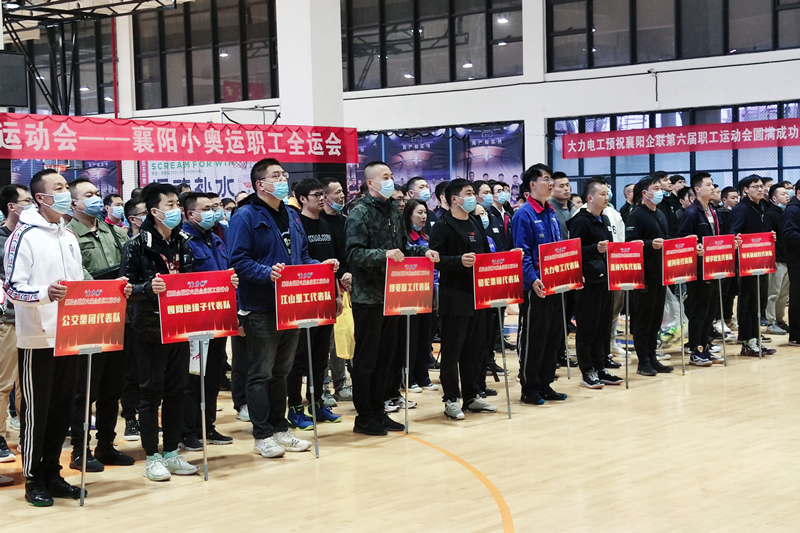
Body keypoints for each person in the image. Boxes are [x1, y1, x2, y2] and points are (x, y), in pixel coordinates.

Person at [228, 158, 326, 457]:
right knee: (261, 373)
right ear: (260, 184)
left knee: (282, 372)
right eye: (276, 175)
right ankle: (262, 435)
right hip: (260, 305)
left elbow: (302, 256)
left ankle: (280, 428)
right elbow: (238, 260)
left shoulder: (292, 214)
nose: (283, 179)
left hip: (290, 305)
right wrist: (266, 272)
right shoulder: (245, 215)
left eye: (284, 174)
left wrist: (320, 267)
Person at [5, 169, 89, 505]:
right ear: (41, 197)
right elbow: (13, 288)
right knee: (37, 412)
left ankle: (53, 473)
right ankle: (33, 478)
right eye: (59, 187)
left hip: (70, 335)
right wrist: (44, 293)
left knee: (62, 410)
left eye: (67, 186)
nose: (66, 192)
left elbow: (79, 284)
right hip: (38, 338)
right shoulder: (23, 236)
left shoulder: (68, 235)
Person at [344, 161, 439, 436]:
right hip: (368, 297)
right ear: (370, 183)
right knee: (367, 360)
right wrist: (382, 255)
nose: (390, 180)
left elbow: (402, 248)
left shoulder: (394, 211)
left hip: (393, 296)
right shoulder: (359, 213)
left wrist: (422, 252)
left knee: (387, 359)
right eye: (384, 176)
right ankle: (364, 416)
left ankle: (379, 410)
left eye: (391, 175)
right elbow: (353, 253)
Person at [120, 182, 200, 481]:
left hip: (180, 326)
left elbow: (191, 280)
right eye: (171, 205)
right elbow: (125, 288)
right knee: (151, 394)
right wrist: (147, 288)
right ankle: (152, 456)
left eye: (178, 204)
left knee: (177, 391)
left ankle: (171, 452)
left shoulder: (183, 241)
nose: (177, 209)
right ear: (155, 211)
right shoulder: (136, 245)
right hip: (149, 329)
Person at [66, 178, 135, 472]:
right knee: (85, 391)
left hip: (120, 317)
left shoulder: (116, 232)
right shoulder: (68, 235)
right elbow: (77, 275)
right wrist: (108, 288)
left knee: (112, 388)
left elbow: (130, 267)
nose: (96, 198)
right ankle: (80, 450)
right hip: (87, 321)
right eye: (89, 194)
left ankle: (106, 445)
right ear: (74, 203)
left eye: (97, 193)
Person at [430, 179, 496, 419]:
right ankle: (451, 398)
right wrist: (458, 261)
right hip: (455, 296)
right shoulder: (442, 225)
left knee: (475, 349)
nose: (472, 198)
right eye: (468, 193)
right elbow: (435, 259)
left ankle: (472, 395)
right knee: (452, 351)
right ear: (454, 199)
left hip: (478, 295)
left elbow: (485, 256)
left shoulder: (475, 222)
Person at [178, 192, 237, 451]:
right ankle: (187, 430)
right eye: (207, 208)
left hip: (218, 317)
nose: (214, 212)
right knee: (193, 378)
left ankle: (207, 425)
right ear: (191, 214)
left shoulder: (216, 239)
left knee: (213, 376)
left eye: (215, 207)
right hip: (194, 321)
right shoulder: (183, 241)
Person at [284, 179, 343, 430]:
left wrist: (337, 294)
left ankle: (317, 404)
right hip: (302, 299)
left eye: (322, 194)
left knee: (320, 357)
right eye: (316, 194)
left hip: (326, 297)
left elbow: (333, 264)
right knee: (299, 358)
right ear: (301, 199)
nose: (321, 198)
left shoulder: (327, 224)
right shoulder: (296, 225)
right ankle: (295, 409)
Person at [513, 163, 568, 405]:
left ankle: (546, 384)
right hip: (535, 287)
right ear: (532, 184)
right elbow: (521, 252)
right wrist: (532, 278)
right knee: (534, 338)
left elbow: (559, 250)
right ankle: (530, 387)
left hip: (555, 284)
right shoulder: (524, 214)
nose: (550, 182)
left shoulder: (551, 212)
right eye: (545, 178)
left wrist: (569, 274)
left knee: (552, 337)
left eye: (550, 178)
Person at [567, 179, 623, 389]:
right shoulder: (581, 221)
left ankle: (600, 366)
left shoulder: (605, 218)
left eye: (607, 194)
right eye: (603, 194)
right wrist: (594, 249)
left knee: (602, 326)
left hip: (605, 279)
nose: (607, 197)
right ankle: (587, 370)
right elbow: (573, 251)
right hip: (588, 281)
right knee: (588, 328)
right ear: (590, 197)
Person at [625, 177, 674, 376]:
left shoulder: (660, 213)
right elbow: (630, 243)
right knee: (643, 319)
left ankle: (653, 357)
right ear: (645, 193)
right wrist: (648, 244)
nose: (660, 191)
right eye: (656, 188)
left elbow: (666, 239)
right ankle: (642, 360)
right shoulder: (636, 215)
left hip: (660, 273)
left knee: (655, 319)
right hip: (644, 275)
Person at [677, 173, 725, 367]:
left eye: (712, 184)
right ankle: (695, 350)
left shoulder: (711, 210)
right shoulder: (691, 213)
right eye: (708, 184)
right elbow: (682, 240)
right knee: (699, 311)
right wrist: (693, 247)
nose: (712, 188)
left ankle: (705, 347)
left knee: (710, 310)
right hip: (698, 270)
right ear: (697, 189)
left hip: (712, 267)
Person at [0, 184, 32, 466]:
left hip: (32, 318)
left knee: (28, 383)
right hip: (7, 319)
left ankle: (27, 434)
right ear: (12, 206)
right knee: (4, 383)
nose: (32, 205)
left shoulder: (31, 236)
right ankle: (0, 436)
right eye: (27, 201)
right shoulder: (1, 238)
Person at [729, 175, 776, 357]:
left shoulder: (762, 207)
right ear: (746, 190)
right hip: (746, 262)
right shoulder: (741, 209)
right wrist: (737, 240)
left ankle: (756, 339)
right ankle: (746, 341)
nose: (760, 189)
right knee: (748, 301)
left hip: (761, 260)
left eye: (761, 186)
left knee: (759, 302)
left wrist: (770, 236)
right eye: (755, 186)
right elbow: (733, 233)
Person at [319, 177, 353, 403]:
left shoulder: (346, 221)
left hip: (346, 285)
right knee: (326, 340)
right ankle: (323, 386)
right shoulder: (317, 222)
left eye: (342, 191)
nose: (342, 195)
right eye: (337, 192)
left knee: (343, 336)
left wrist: (349, 274)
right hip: (324, 286)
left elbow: (350, 252)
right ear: (324, 196)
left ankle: (341, 383)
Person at [765, 183, 790, 335]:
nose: (787, 196)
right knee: (773, 292)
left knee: (784, 293)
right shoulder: (770, 214)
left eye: (787, 193)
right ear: (774, 198)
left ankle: (780, 320)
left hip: (787, 258)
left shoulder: (786, 212)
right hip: (776, 259)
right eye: (783, 194)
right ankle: (771, 321)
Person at [781, 180, 800, 345]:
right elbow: (789, 235)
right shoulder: (793, 210)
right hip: (797, 261)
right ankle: (796, 335)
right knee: (797, 298)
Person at [549, 172, 572, 239]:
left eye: (567, 185)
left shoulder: (573, 208)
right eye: (561, 186)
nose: (566, 189)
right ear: (552, 189)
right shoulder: (549, 210)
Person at [654, 171, 677, 238]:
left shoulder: (671, 199)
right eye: (665, 180)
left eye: (669, 180)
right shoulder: (657, 202)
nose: (669, 182)